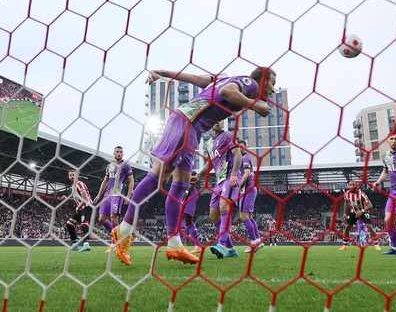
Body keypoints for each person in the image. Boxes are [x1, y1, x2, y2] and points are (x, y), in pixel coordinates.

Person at [111, 67, 276, 266]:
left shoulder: (222, 78)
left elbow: (196, 78)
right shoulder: (250, 84)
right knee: (160, 176)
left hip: (192, 128)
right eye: (272, 83)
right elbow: (226, 93)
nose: (273, 89)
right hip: (186, 123)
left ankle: (174, 245)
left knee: (181, 184)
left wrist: (161, 72)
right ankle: (123, 231)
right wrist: (255, 106)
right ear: (263, 79)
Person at [203, 121, 243, 259]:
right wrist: (199, 176)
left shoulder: (227, 135)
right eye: (215, 119)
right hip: (218, 181)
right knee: (213, 216)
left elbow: (238, 154)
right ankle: (231, 250)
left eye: (220, 119)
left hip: (230, 177)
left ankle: (221, 245)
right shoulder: (208, 144)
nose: (218, 121)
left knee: (224, 207)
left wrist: (233, 174)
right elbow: (211, 163)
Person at [93, 146, 135, 249]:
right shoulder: (109, 166)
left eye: (121, 152)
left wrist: (129, 196)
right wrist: (99, 195)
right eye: (117, 152)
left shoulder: (126, 166)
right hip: (107, 195)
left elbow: (131, 181)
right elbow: (105, 181)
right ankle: (119, 235)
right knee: (102, 219)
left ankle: (115, 242)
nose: (119, 153)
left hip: (117, 194)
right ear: (114, 153)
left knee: (113, 217)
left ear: (123, 154)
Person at [236, 140, 263, 253]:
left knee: (244, 217)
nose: (240, 149)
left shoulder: (245, 158)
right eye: (238, 147)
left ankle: (253, 243)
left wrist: (238, 187)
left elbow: (246, 174)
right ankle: (258, 241)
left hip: (248, 190)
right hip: (250, 190)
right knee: (250, 217)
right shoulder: (243, 159)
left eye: (242, 147)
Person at [338, 181, 380, 251]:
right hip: (354, 212)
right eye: (350, 185)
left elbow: (370, 205)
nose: (351, 186)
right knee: (347, 227)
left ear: (356, 186)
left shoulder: (361, 194)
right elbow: (346, 203)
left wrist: (362, 211)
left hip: (363, 211)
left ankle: (376, 244)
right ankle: (345, 245)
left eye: (353, 185)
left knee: (369, 226)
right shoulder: (346, 194)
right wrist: (345, 213)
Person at [65, 168, 93, 252]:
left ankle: (86, 244)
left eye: (73, 175)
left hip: (87, 206)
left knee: (84, 223)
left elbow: (85, 198)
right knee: (69, 224)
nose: (72, 176)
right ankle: (74, 244)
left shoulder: (79, 184)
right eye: (70, 175)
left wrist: (78, 207)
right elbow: (78, 199)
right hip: (81, 208)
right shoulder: (73, 187)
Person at [181, 171, 202, 254]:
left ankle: (181, 244)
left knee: (182, 217)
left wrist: (186, 191)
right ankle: (197, 246)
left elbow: (193, 180)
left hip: (190, 194)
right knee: (188, 221)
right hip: (187, 194)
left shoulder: (188, 167)